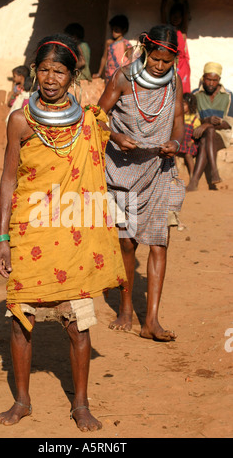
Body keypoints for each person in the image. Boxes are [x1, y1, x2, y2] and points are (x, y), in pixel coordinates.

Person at [0, 33, 126, 431]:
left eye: (60, 71)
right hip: (30, 230)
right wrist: (2, 238)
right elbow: (7, 180)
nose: (51, 78)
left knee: (78, 322)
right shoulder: (20, 119)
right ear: (35, 72)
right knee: (20, 319)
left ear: (73, 76)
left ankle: (80, 404)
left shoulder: (86, 121)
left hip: (73, 231)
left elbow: (110, 124)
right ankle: (21, 401)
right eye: (45, 69)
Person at [98, 24, 185, 341]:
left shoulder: (173, 82)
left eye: (167, 61)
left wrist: (175, 143)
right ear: (146, 51)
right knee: (127, 243)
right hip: (123, 170)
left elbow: (178, 122)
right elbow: (96, 115)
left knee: (159, 243)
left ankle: (151, 321)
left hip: (160, 170)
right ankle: (124, 308)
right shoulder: (122, 77)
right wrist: (116, 135)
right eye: (156, 59)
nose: (160, 66)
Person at [187, 62, 233, 191]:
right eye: (208, 79)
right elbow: (192, 119)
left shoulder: (228, 96)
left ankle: (194, 181)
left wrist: (207, 124)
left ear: (219, 80)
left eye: (214, 80)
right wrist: (206, 122)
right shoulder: (196, 95)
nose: (211, 83)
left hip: (222, 135)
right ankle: (214, 172)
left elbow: (228, 123)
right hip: (199, 134)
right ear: (203, 78)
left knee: (209, 132)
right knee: (208, 133)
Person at [161, 0, 191, 93]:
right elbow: (162, 11)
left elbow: (186, 14)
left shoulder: (182, 32)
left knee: (181, 91)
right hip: (169, 62)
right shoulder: (167, 30)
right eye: (174, 15)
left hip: (182, 66)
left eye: (179, 17)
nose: (176, 18)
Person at [93, 14, 131, 83]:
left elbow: (130, 61)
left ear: (124, 30)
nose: (113, 32)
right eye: (112, 29)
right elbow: (104, 58)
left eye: (116, 30)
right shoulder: (109, 43)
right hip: (109, 75)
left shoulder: (126, 44)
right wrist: (99, 73)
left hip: (121, 76)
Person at [177, 92, 202, 178]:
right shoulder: (179, 117)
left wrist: (192, 141)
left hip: (189, 143)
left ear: (190, 105)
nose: (182, 107)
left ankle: (193, 175)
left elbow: (197, 134)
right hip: (180, 142)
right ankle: (174, 173)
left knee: (188, 155)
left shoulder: (194, 119)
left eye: (184, 105)